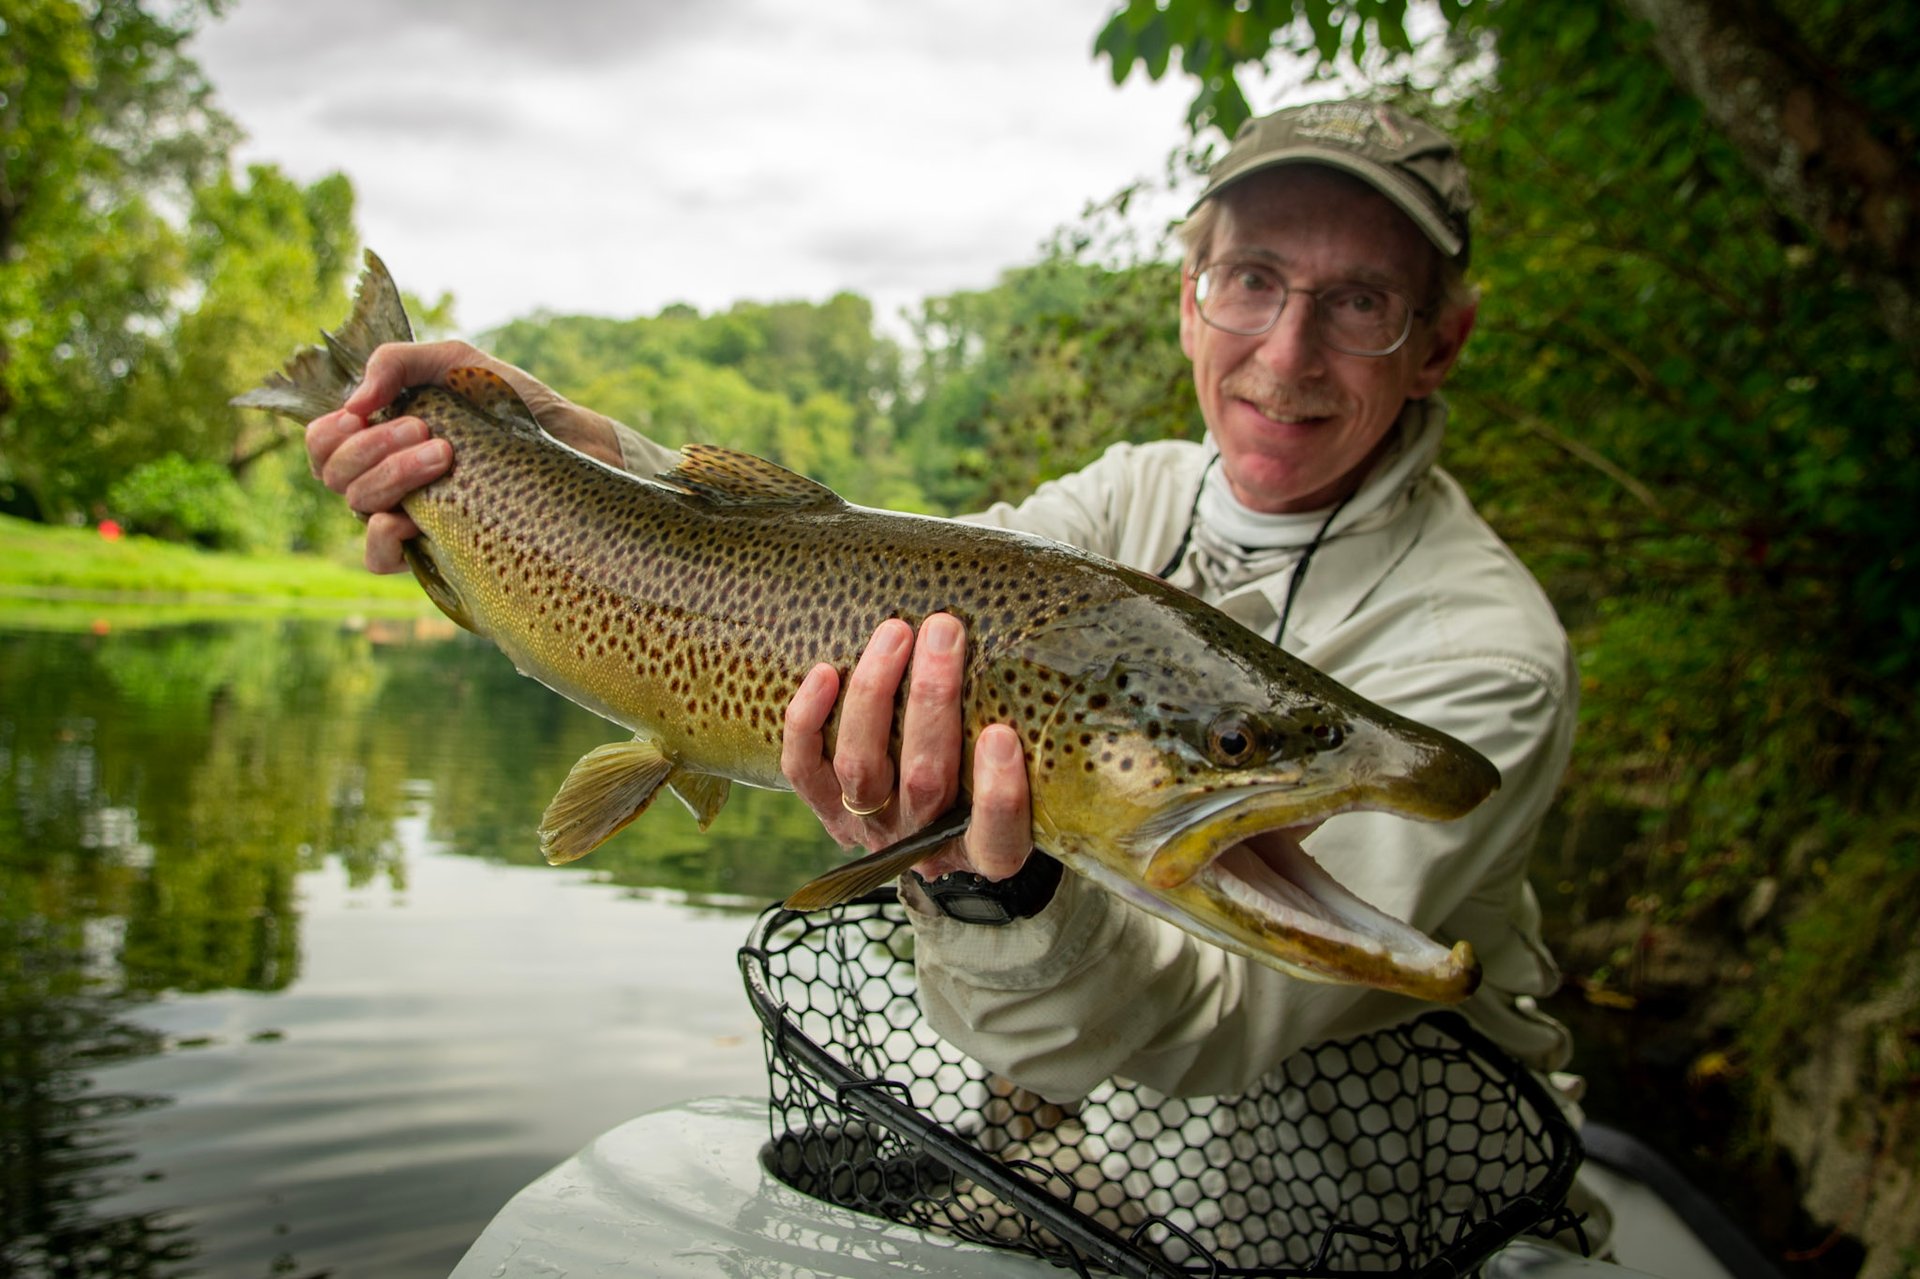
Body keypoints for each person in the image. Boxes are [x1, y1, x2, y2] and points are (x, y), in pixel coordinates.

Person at [308, 100, 1577, 1108]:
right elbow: (866, 566)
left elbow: (1217, 1024)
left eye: (1358, 302)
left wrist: (996, 886)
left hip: (1380, 1201)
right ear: (1193, 291)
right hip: (1116, 1158)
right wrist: (563, 449)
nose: (1286, 351)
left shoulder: (1485, 654)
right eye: (1252, 278)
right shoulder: (1134, 496)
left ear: (1440, 342)